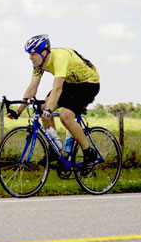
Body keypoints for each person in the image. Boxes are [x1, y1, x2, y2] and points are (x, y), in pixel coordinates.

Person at [8, 34, 100, 176]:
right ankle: (56, 148)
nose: (30, 58)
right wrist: (19, 111)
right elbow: (32, 87)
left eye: (33, 54)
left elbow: (57, 88)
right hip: (71, 83)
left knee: (65, 116)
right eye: (29, 54)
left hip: (88, 83)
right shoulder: (39, 64)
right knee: (42, 107)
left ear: (44, 52)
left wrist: (50, 110)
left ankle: (89, 154)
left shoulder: (59, 58)